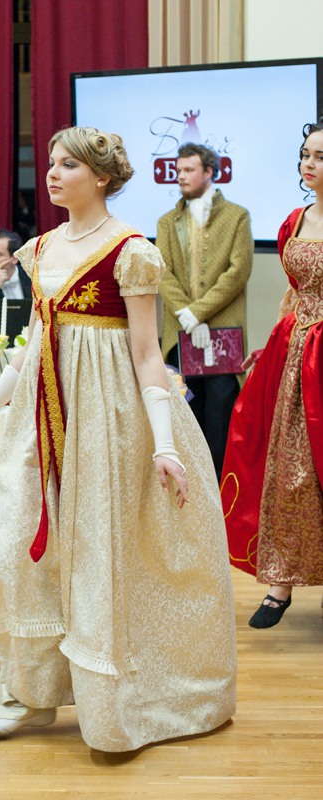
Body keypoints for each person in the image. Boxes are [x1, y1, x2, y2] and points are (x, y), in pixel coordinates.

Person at [0, 127, 236, 752]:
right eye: (51, 163)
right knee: (14, 546)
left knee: (99, 556)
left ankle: (113, 706)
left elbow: (147, 355)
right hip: (43, 419)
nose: (52, 173)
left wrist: (164, 445)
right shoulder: (41, 249)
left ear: (101, 177)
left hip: (109, 421)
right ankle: (29, 693)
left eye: (68, 164)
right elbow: (31, 349)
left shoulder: (132, 252)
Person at [222, 122, 323, 629]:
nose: (309, 164)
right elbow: (293, 292)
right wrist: (270, 346)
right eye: (306, 154)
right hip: (296, 351)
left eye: (320, 157)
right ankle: (280, 582)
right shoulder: (294, 219)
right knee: (287, 467)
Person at [156, 144, 253, 480]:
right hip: (180, 335)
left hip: (222, 338)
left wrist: (197, 313)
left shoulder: (236, 216)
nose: (181, 176)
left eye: (189, 170)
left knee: (220, 422)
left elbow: (238, 271)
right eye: (178, 170)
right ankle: (188, 495)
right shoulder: (167, 221)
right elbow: (163, 272)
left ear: (209, 172)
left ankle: (222, 497)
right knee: (185, 419)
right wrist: (185, 315)